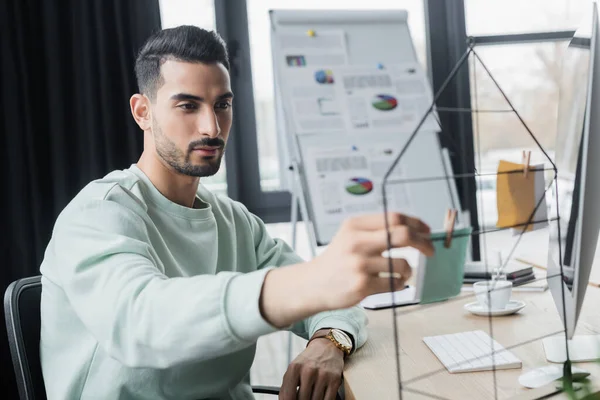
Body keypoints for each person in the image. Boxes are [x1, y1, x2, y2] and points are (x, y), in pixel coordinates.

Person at [39, 26, 434, 400]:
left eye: (222, 105)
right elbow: (140, 321)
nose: (212, 127)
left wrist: (328, 341)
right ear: (143, 112)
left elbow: (334, 301)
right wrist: (310, 281)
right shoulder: (97, 213)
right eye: (188, 106)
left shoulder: (236, 221)